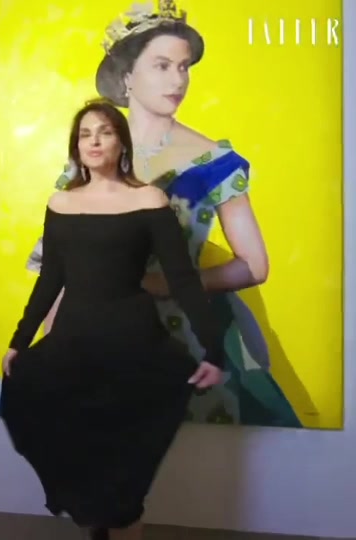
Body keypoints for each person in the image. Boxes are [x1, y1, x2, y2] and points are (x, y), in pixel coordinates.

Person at [27, 0, 304, 428]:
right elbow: (60, 266)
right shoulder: (92, 153)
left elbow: (254, 265)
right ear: (126, 76)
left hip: (181, 336)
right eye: (162, 66)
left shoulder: (214, 162)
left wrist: (160, 284)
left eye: (184, 67)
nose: (178, 80)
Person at [0, 100, 224, 540]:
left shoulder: (148, 199)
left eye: (104, 132)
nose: (94, 141)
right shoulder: (61, 202)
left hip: (133, 345)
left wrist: (213, 349)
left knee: (124, 471)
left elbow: (182, 279)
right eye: (85, 134)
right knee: (83, 452)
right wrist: (19, 341)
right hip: (73, 345)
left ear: (121, 142)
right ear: (76, 147)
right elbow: (50, 279)